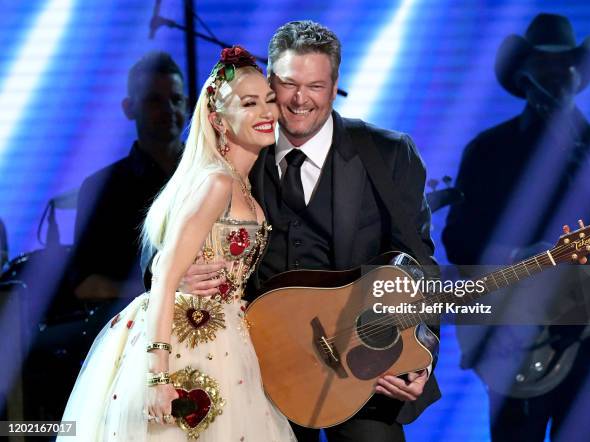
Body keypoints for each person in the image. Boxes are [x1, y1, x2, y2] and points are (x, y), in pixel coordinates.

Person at [158, 20, 442, 442]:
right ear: (269, 82)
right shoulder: (236, 146)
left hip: (355, 364)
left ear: (334, 85)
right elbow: (165, 233)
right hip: (256, 363)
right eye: (288, 84)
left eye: (315, 86)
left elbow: (419, 268)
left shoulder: (388, 154)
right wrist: (176, 273)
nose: (299, 100)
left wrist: (420, 352)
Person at [60, 46, 296, 441]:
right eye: (250, 103)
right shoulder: (216, 182)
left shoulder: (243, 186)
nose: (268, 112)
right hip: (188, 340)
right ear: (219, 120)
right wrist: (158, 375)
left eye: (269, 100)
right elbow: (165, 272)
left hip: (230, 342)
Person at [442, 13, 590, 442]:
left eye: (565, 63)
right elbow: (458, 242)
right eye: (544, 63)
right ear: (524, 74)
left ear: (577, 73)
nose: (556, 73)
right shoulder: (488, 150)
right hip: (512, 331)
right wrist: (517, 255)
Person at [72, 51, 187, 303]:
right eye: (154, 101)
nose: (168, 109)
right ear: (129, 108)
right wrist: (161, 293)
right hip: (134, 329)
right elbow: (85, 284)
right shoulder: (102, 188)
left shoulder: (214, 173)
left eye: (176, 99)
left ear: (188, 106)